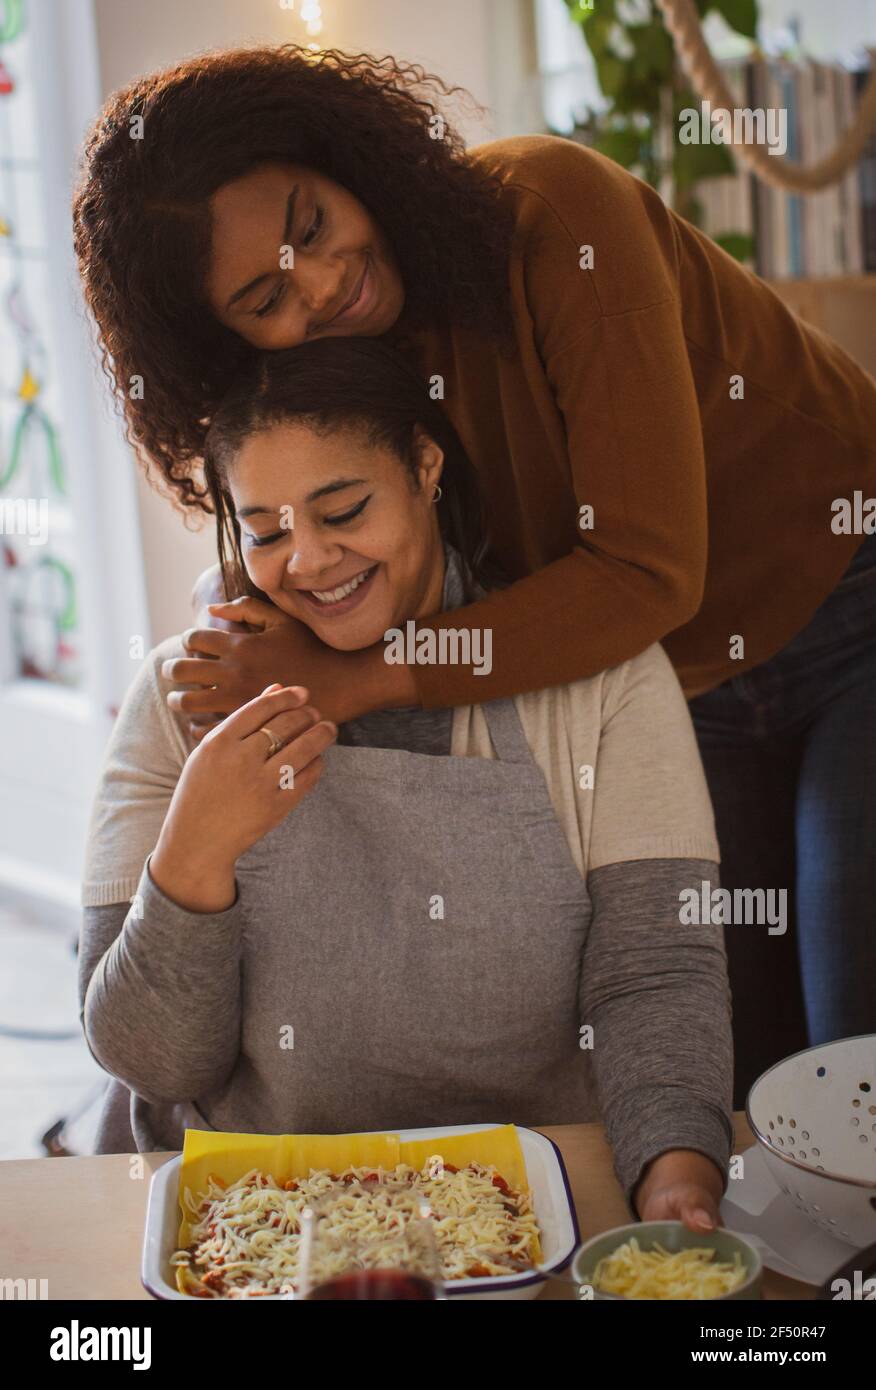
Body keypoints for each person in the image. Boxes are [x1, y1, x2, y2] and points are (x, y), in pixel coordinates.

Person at [72, 44, 876, 1103]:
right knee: (754, 1073)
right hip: (680, 682)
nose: (320, 283)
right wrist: (239, 614)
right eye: (265, 295)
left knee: (857, 1042)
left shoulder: (556, 213)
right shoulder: (342, 367)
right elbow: (297, 512)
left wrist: (358, 676)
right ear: (226, 348)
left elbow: (643, 573)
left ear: (342, 158)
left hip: (845, 597)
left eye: (310, 225)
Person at [80, 337, 732, 1232]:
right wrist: (193, 856)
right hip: (250, 1224)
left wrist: (674, 1175)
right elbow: (153, 1066)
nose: (306, 561)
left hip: (526, 1213)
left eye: (342, 508)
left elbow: (654, 974)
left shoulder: (602, 681)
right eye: (265, 531)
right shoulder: (177, 694)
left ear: (425, 465)